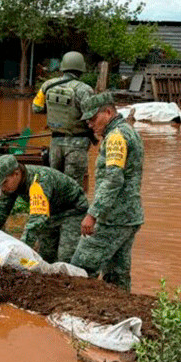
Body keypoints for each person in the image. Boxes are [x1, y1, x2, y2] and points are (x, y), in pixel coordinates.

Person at [71, 92, 144, 291]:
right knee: (117, 276)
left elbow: (113, 179)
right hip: (129, 217)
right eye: (87, 120)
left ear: (109, 112)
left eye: (93, 118)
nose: (90, 124)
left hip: (112, 218)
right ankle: (120, 314)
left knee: (80, 269)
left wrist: (93, 214)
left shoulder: (115, 137)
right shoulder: (128, 132)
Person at [0, 155, 87, 263]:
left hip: (72, 211)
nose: (3, 187)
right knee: (46, 256)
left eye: (4, 182)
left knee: (66, 256)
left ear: (16, 173)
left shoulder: (38, 182)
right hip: (51, 213)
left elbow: (36, 220)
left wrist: (21, 250)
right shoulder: (11, 185)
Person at [32, 51, 95, 190]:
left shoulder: (47, 86)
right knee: (73, 188)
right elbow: (92, 116)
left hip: (55, 144)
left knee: (55, 184)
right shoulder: (85, 90)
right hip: (77, 145)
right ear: (81, 69)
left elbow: (36, 108)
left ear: (63, 67)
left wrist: (54, 110)